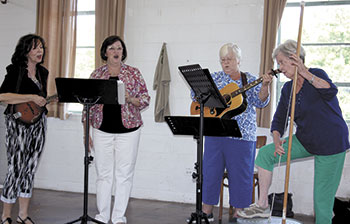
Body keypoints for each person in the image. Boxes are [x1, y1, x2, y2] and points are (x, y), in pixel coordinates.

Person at [237, 40, 349, 224]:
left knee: (322, 200)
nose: (279, 68)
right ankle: (262, 204)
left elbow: (330, 91)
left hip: (331, 142)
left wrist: (305, 72)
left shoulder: (317, 74)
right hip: (306, 140)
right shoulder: (288, 89)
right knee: (266, 154)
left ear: (294, 59)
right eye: (278, 64)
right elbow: (279, 119)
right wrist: (277, 139)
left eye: (281, 62)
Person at [188, 43, 273, 223]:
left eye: (229, 59)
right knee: (210, 173)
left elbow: (261, 102)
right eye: (223, 60)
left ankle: (238, 213)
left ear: (239, 60)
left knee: (241, 175)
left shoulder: (248, 79)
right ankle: (206, 211)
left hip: (242, 135)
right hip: (215, 132)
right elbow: (196, 96)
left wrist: (265, 85)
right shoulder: (215, 78)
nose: (225, 63)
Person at [82, 35, 150, 224]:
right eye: (111, 48)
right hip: (101, 130)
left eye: (119, 48)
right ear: (105, 52)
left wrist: (130, 99)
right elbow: (86, 106)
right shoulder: (96, 75)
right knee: (103, 175)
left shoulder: (134, 73)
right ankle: (102, 216)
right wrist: (85, 133)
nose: (116, 52)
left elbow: (145, 99)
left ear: (123, 52)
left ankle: (118, 217)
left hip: (129, 130)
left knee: (124, 175)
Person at [0, 34, 49, 224]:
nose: (40, 51)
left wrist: (42, 101)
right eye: (35, 48)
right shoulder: (15, 70)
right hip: (16, 122)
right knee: (15, 168)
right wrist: (30, 97)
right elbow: (2, 96)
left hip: (39, 123)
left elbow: (40, 99)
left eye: (42, 48)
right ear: (26, 51)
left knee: (30, 168)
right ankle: (5, 216)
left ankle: (23, 215)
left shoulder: (43, 72)